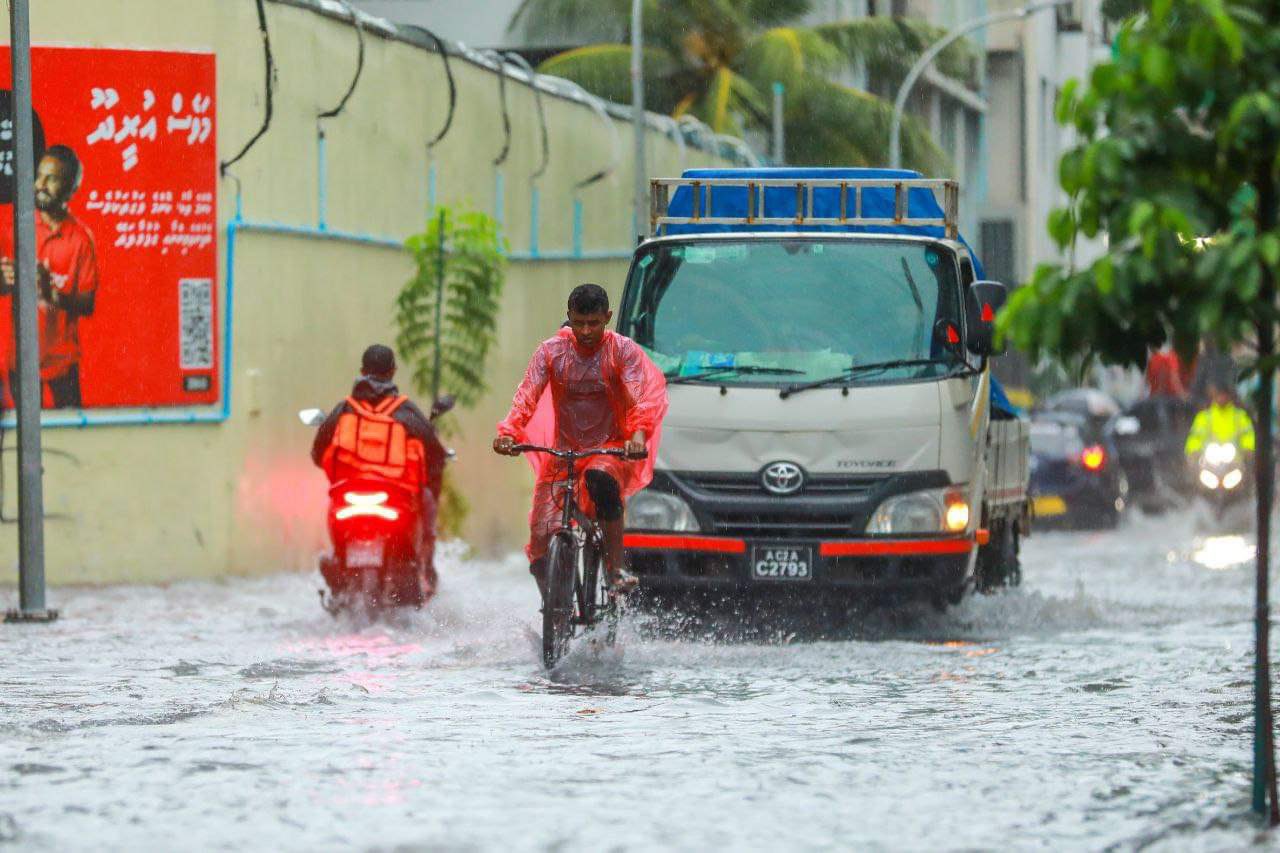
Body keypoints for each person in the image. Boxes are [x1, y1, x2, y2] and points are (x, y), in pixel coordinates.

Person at [493, 284, 668, 600]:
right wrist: (509, 433)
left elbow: (640, 397)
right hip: (563, 454)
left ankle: (615, 568)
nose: (586, 331)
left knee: (601, 479)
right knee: (540, 538)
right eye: (578, 323)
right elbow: (526, 396)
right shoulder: (551, 352)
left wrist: (637, 437)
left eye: (594, 323)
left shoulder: (622, 351)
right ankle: (554, 611)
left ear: (607, 318)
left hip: (610, 448)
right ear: (569, 318)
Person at [311, 344, 447, 590]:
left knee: (334, 515)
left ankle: (337, 563)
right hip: (395, 499)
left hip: (348, 497)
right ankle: (426, 566)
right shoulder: (405, 410)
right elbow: (435, 455)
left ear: (363, 371)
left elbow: (318, 453)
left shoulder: (345, 408)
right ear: (393, 372)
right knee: (426, 501)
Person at [0, 145, 100, 408]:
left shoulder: (80, 239)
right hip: (19, 361)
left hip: (62, 363)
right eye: (39, 176)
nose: (40, 185)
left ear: (70, 188)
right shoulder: (12, 230)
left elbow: (87, 303)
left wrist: (50, 293)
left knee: (69, 438)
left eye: (52, 178)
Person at [1185, 383, 1256, 460]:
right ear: (1214, 396)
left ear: (1229, 396)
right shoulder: (1204, 417)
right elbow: (1196, 436)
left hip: (1235, 463)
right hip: (1209, 462)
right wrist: (1193, 450)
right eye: (1219, 395)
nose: (1222, 398)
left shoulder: (1239, 416)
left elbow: (1247, 435)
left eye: (1224, 395)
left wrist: (1248, 448)